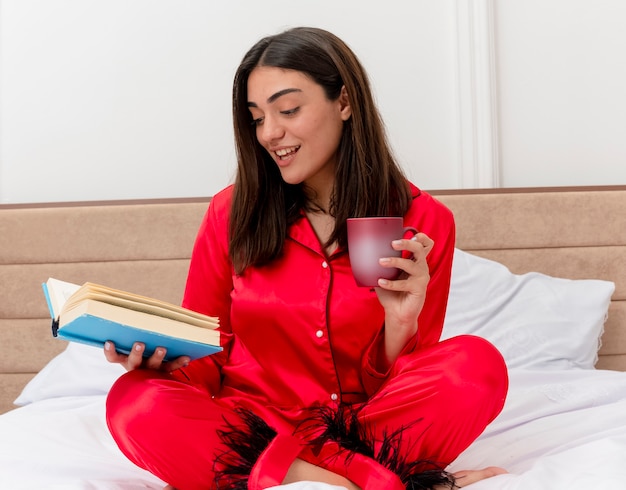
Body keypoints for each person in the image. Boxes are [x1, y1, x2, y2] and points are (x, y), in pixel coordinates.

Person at [105, 26, 508, 490]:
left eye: (289, 109)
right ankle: (371, 483)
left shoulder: (419, 219)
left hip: (360, 430)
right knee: (133, 401)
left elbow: (404, 385)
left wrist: (400, 325)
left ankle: (298, 479)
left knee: (476, 366)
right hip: (251, 430)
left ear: (345, 101)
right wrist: (168, 362)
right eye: (257, 118)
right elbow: (208, 346)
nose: (270, 133)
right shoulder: (230, 213)